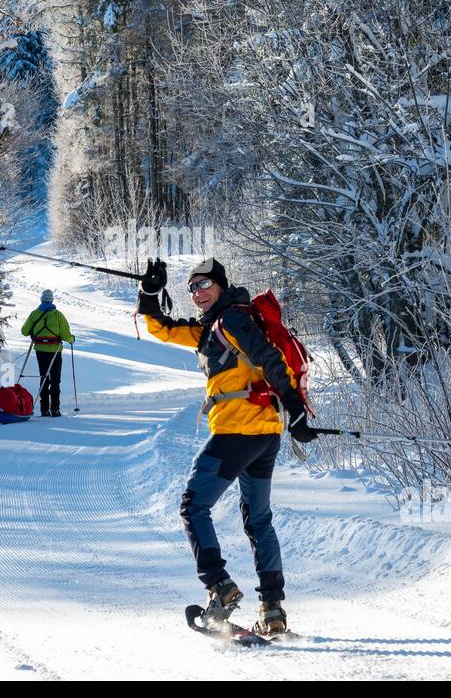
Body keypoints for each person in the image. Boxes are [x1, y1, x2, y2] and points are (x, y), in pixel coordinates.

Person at [136, 256, 318, 635]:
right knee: (258, 519)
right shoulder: (210, 330)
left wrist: (297, 406)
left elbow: (270, 358)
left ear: (220, 284)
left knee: (193, 506)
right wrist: (149, 292)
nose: (198, 293)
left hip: (240, 431)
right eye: (192, 288)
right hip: (263, 435)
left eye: (204, 285)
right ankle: (272, 610)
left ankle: (220, 588)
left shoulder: (233, 320)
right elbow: (163, 329)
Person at [21, 289, 75, 417]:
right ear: (52, 300)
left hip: (40, 350)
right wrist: (72, 339)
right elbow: (66, 336)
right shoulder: (58, 315)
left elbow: (24, 331)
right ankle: (55, 409)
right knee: (55, 380)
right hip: (55, 352)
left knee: (43, 378)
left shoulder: (35, 314)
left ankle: (44, 409)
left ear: (41, 299)